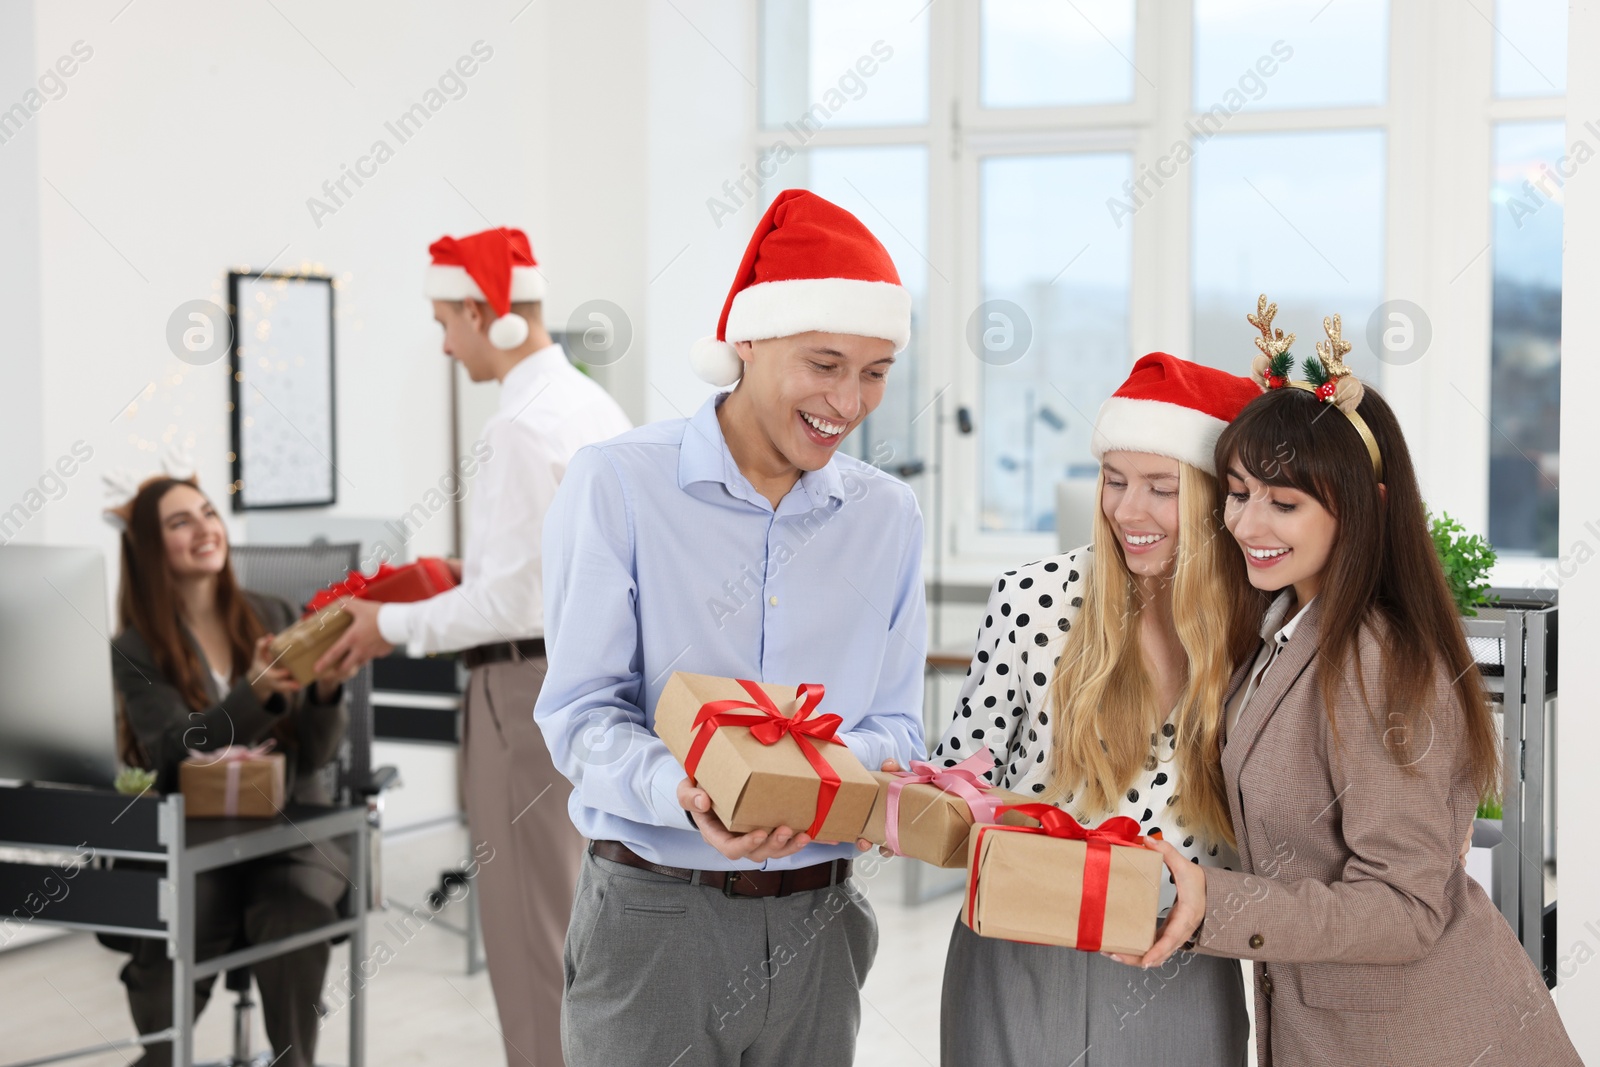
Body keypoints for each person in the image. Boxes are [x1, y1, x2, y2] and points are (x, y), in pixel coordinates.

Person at [1123, 301, 1581, 1066]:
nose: (1247, 523)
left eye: (1285, 502)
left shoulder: (1377, 657)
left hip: (1423, 1037)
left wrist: (1211, 899)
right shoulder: (1283, 631)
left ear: (1364, 509)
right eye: (1238, 493)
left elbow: (1403, 907)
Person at [536, 189, 925, 1066]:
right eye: (824, 363)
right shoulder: (618, 486)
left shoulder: (887, 515)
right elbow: (579, 715)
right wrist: (685, 788)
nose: (850, 400)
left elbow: (901, 724)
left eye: (876, 370)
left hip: (820, 924)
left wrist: (812, 782)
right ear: (746, 341)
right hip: (655, 918)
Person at [315, 227, 631, 1067]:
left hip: (519, 696)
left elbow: (517, 599)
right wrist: (450, 577)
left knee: (531, 937)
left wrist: (388, 624)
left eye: (443, 320)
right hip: (580, 684)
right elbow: (548, 569)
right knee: (573, 923)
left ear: (481, 311)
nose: (444, 342)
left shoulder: (522, 426)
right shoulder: (589, 403)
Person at [931, 352, 1260, 1066]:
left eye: (1160, 488)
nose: (1127, 510)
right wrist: (911, 799)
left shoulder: (1261, 632)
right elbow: (961, 775)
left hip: (1178, 961)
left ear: (1214, 497)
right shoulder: (1031, 600)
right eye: (1114, 481)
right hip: (1019, 954)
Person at [108, 475, 355, 1067]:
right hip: (202, 838)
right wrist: (254, 691)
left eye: (208, 512)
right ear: (149, 547)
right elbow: (174, 746)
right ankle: (163, 1055)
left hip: (292, 828)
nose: (205, 528)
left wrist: (324, 692)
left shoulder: (271, 615)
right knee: (178, 922)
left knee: (293, 910)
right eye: (180, 522)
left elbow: (313, 759)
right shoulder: (136, 649)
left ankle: (294, 1060)